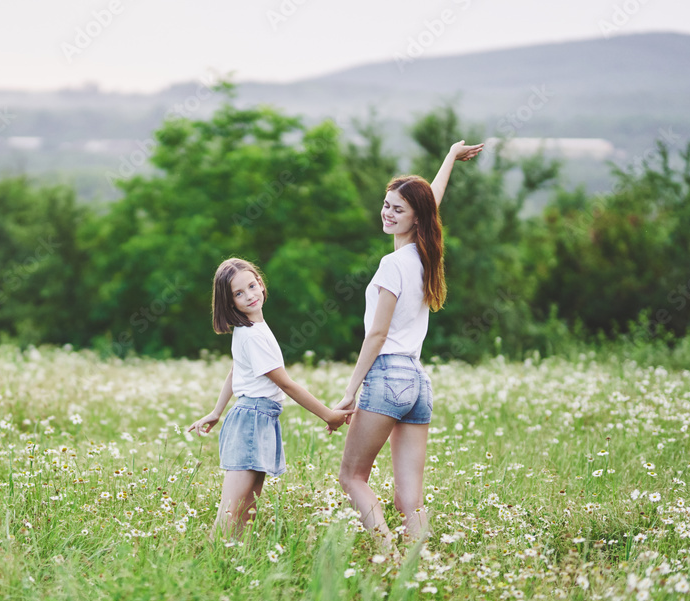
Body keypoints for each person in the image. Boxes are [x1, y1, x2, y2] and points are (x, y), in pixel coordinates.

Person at [334, 140, 484, 550]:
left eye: (397, 209)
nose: (388, 212)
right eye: (386, 204)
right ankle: (420, 566)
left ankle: (388, 553)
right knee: (409, 498)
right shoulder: (425, 256)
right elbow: (429, 200)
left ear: (415, 218)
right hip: (417, 382)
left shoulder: (393, 264)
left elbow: (377, 335)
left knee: (352, 477)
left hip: (386, 375)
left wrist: (351, 391)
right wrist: (450, 157)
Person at [189, 258, 354, 539]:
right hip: (252, 419)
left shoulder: (254, 329)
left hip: (260, 419)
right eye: (238, 294)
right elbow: (287, 385)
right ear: (229, 303)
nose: (249, 295)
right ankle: (211, 558)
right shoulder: (252, 335)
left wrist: (217, 411)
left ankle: (236, 560)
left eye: (252, 286)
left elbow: (235, 371)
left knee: (247, 508)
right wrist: (328, 414)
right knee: (231, 510)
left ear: (262, 285)